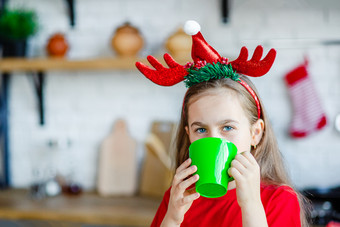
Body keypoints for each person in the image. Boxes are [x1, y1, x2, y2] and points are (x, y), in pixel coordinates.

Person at [136, 20, 309, 227]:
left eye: (228, 127)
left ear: (255, 133)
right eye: (201, 129)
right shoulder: (177, 198)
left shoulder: (280, 200)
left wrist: (251, 204)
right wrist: (172, 217)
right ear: (189, 135)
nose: (214, 139)